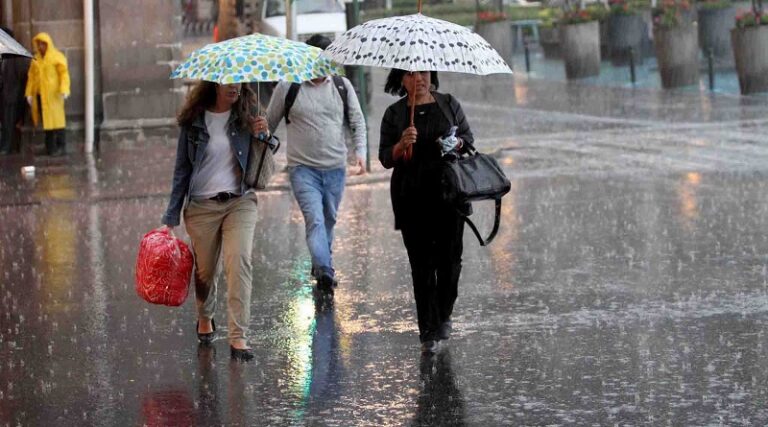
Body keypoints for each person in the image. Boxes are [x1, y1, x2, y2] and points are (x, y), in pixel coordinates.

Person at [161, 81, 277, 362]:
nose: (234, 87)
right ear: (214, 84)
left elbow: (267, 153)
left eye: (238, 81)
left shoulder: (248, 112)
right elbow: (182, 170)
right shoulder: (195, 121)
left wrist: (264, 136)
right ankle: (205, 316)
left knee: (239, 262)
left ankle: (239, 337)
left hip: (240, 201)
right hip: (202, 207)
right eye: (228, 82)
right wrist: (170, 218)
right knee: (205, 272)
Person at [258, 34, 367, 297]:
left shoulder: (342, 86)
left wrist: (361, 153)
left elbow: (357, 121)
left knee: (328, 219)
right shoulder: (289, 87)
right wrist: (259, 133)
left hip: (335, 168)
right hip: (302, 169)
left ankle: (320, 265)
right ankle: (326, 270)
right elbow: (269, 123)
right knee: (315, 221)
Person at [378, 69, 474, 355]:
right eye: (410, 74)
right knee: (421, 266)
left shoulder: (448, 103)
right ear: (401, 80)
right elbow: (384, 157)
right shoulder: (395, 114)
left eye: (424, 72)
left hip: (448, 195)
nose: (418, 78)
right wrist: (400, 145)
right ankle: (427, 331)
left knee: (450, 263)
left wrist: (457, 142)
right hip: (411, 197)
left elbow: (468, 139)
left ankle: (444, 314)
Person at [25, 32, 70, 156]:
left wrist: (64, 89)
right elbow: (31, 77)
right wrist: (29, 93)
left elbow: (63, 74)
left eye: (43, 44)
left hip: (54, 95)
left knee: (58, 121)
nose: (40, 47)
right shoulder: (36, 60)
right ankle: (50, 147)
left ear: (48, 44)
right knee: (47, 122)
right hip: (41, 95)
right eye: (39, 44)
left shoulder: (57, 57)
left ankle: (61, 146)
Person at [0, 27, 30, 155]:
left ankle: (7, 147)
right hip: (3, 94)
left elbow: (22, 76)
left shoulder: (17, 56)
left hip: (12, 94)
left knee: (8, 122)